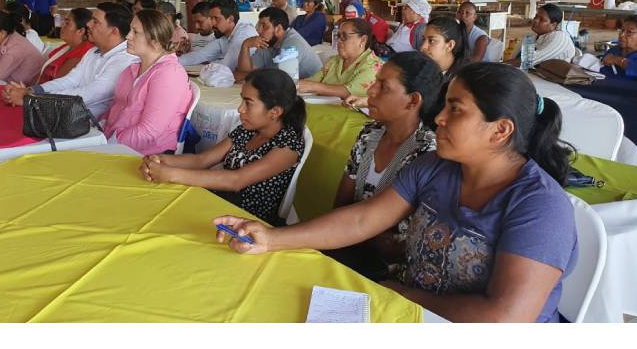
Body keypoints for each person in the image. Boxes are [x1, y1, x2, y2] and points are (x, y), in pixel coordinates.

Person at [215, 62, 578, 323]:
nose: (438, 118)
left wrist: (402, 294)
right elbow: (362, 218)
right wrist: (271, 238)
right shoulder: (435, 166)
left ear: (500, 131)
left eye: (456, 110)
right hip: (411, 313)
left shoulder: (540, 207)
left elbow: (504, 320)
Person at [327, 51, 443, 278]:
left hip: (390, 273)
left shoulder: (427, 153)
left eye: (383, 87)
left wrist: (350, 228)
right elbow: (341, 205)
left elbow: (398, 248)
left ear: (413, 100)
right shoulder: (370, 134)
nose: (371, 90)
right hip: (351, 247)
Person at [140, 68, 306, 225]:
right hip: (218, 201)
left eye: (248, 103)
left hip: (245, 220)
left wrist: (171, 174)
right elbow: (202, 160)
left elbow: (236, 180)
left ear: (275, 112)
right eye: (242, 100)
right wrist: (160, 160)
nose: (240, 109)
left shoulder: (288, 146)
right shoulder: (248, 130)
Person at [2, 3, 138, 118]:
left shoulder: (125, 59)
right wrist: (34, 90)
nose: (89, 24)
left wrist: (32, 98)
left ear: (114, 31)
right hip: (70, 115)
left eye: (96, 22)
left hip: (95, 126)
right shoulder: (94, 51)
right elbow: (71, 80)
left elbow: (91, 93)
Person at [102, 9, 193, 153]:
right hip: (116, 143)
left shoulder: (169, 74)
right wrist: (99, 130)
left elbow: (149, 132)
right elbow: (115, 109)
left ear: (155, 42)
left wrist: (108, 145)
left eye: (135, 32)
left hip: (148, 154)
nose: (128, 36)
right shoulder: (131, 70)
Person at [299, 18, 382, 99]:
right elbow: (312, 81)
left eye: (344, 36)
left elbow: (349, 92)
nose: (339, 41)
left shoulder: (373, 65)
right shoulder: (333, 61)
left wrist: (314, 87)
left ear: (363, 40)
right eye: (338, 36)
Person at [235, 7, 322, 82]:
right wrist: (245, 46)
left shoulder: (292, 43)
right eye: (259, 26)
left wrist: (250, 76)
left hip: (315, 97)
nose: (258, 30)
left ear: (278, 29)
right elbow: (242, 74)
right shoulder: (267, 43)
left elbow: (281, 80)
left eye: (264, 26)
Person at [178, 0, 258, 71]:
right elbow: (199, 55)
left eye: (216, 18)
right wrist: (170, 61)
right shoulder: (225, 35)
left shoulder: (244, 33)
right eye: (211, 18)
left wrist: (209, 65)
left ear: (230, 19)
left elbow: (227, 65)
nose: (212, 23)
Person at [37, 7, 94, 85]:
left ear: (81, 31)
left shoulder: (82, 53)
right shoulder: (67, 47)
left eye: (67, 23)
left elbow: (57, 84)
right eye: (63, 21)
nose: (62, 25)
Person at [507, 4, 575, 67]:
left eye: (542, 19)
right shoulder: (532, 37)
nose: (536, 20)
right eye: (536, 16)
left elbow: (528, 61)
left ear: (553, 25)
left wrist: (501, 66)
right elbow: (516, 58)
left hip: (552, 78)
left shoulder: (560, 37)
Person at [421, 16, 470, 81]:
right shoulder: (425, 70)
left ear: (450, 45)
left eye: (432, 41)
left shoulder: (462, 81)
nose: (422, 47)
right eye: (423, 39)